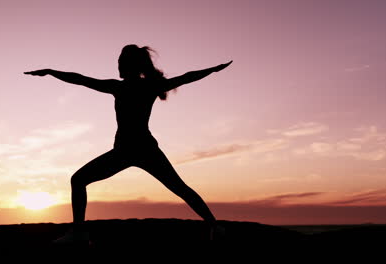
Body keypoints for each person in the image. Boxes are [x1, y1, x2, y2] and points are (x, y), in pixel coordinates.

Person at [24, 44, 232, 244]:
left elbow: (186, 77)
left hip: (134, 150)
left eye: (120, 61)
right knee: (179, 188)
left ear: (128, 65)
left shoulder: (122, 87)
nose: (117, 65)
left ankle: (79, 233)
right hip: (135, 150)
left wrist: (51, 72)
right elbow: (81, 80)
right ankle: (215, 226)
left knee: (79, 180)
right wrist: (52, 72)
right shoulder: (138, 86)